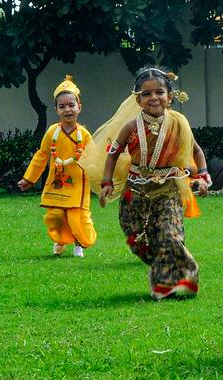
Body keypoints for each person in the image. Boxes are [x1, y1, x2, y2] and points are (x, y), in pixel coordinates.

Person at [88, 67, 210, 299]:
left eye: (159, 92)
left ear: (170, 96)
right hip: (134, 193)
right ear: (138, 99)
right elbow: (113, 154)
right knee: (140, 241)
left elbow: (196, 151)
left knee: (169, 234)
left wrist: (203, 176)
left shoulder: (178, 123)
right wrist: (107, 183)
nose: (154, 97)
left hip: (168, 190)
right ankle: (169, 278)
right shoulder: (131, 126)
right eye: (147, 94)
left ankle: (180, 278)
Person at [19, 75, 97, 257]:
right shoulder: (52, 132)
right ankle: (60, 240)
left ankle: (79, 245)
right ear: (56, 110)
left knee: (77, 218)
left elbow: (93, 159)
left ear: (79, 107)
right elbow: (42, 156)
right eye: (62, 106)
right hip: (57, 182)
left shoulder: (84, 135)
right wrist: (28, 179)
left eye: (71, 105)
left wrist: (100, 180)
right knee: (55, 216)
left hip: (78, 182)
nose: (67, 110)